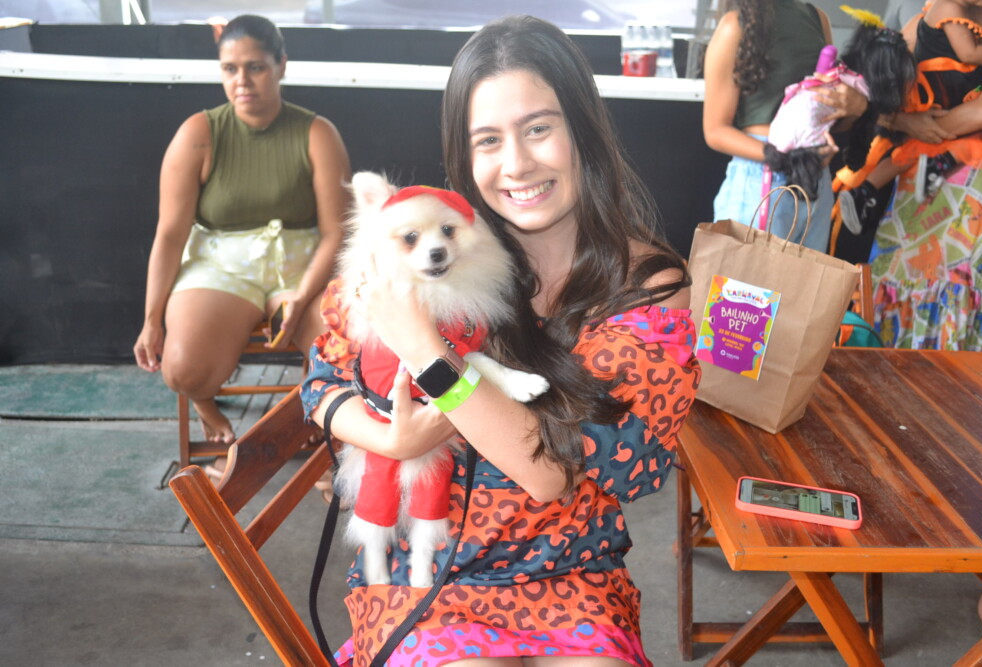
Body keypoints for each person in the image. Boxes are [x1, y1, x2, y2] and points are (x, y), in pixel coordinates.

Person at [301, 15, 700, 666]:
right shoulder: (420, 249)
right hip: (428, 573)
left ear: (584, 130)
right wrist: (392, 440)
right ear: (465, 155)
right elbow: (323, 381)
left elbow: (550, 474)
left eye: (539, 128)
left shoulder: (648, 287)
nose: (516, 163)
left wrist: (427, 353)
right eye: (488, 140)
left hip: (572, 574)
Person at [133, 15, 351, 451]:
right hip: (221, 265)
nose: (242, 81)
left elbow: (336, 233)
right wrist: (151, 319)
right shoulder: (198, 133)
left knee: (348, 351)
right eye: (230, 69)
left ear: (281, 66)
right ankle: (204, 403)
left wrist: (301, 296)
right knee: (183, 369)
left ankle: (320, 418)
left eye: (256, 67)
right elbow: (170, 235)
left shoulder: (317, 133)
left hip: (300, 265)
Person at [863, 9, 982, 351]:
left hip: (976, 182)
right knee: (896, 278)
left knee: (957, 287)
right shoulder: (934, 13)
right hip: (915, 181)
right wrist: (902, 121)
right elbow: (878, 87)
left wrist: (914, 129)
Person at [702, 0, 868, 252]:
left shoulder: (817, 18)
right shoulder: (734, 25)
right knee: (746, 277)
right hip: (763, 176)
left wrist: (857, 107)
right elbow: (715, 131)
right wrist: (784, 159)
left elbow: (825, 113)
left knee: (808, 278)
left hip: (815, 177)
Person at [839, 0, 982, 231]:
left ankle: (865, 191)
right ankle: (865, 190)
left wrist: (912, 127)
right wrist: (904, 122)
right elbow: (969, 55)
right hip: (927, 109)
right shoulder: (943, 10)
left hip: (970, 195)